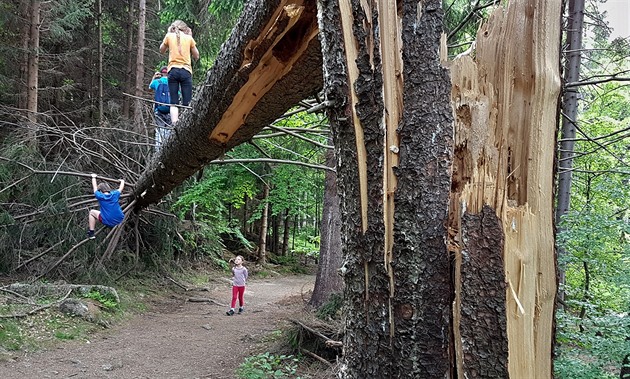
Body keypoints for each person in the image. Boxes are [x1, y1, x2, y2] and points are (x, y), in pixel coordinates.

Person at [159, 20, 200, 124]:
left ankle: (175, 123)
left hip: (172, 70)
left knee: (174, 101)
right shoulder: (189, 38)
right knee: (187, 101)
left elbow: (161, 50)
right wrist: (190, 39)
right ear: (184, 29)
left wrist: (168, 38)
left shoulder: (169, 36)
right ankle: (188, 123)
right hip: (186, 71)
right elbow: (197, 56)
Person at [87, 174, 125, 239]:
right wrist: (122, 181)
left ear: (100, 191)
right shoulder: (115, 194)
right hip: (120, 218)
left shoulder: (100, 196)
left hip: (108, 220)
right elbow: (121, 188)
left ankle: (91, 232)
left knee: (91, 212)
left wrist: (93, 177)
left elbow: (95, 188)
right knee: (104, 213)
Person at [148, 66, 172, 148]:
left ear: (161, 73)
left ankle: (158, 150)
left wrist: (154, 77)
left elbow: (150, 88)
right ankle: (167, 149)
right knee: (169, 131)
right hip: (170, 110)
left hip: (159, 109)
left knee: (159, 131)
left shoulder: (156, 81)